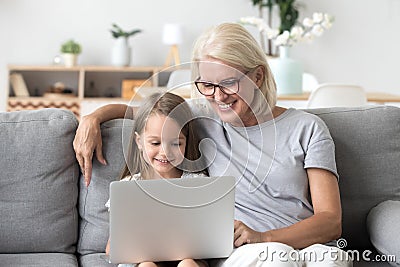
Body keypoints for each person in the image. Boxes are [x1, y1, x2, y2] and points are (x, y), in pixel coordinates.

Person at [73, 23, 352, 266]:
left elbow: (331, 221)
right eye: (206, 84)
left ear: (257, 76)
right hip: (248, 252)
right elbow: (149, 114)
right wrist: (93, 118)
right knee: (277, 258)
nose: (217, 96)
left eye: (228, 83)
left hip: (307, 246)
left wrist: (265, 235)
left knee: (332, 258)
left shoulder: (308, 128)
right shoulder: (203, 117)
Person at [104, 92, 208, 267]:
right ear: (139, 142)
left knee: (188, 264)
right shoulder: (127, 188)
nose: (165, 152)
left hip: (188, 258)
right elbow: (111, 247)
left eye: (175, 143)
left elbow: (208, 234)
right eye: (155, 143)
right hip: (142, 260)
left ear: (186, 142)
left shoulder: (197, 183)